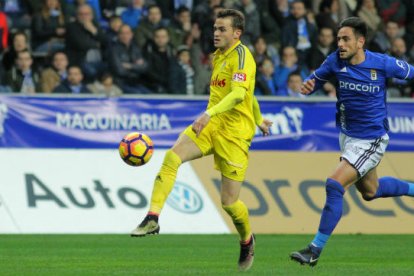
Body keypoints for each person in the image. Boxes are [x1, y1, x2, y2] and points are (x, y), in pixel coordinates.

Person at [130, 9, 272, 272]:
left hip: (234, 135)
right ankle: (153, 216)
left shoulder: (243, 56)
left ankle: (247, 240)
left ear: (237, 33)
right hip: (212, 126)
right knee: (173, 156)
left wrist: (213, 114)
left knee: (229, 203)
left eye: (222, 30)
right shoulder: (218, 56)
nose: (215, 33)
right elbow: (249, 93)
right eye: (215, 29)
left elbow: (241, 94)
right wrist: (260, 118)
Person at [289, 17, 414, 267]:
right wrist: (310, 86)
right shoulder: (335, 60)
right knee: (371, 191)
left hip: (372, 139)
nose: (340, 44)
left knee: (334, 184)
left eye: (346, 39)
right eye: (338, 39)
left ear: (360, 41)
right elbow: (317, 78)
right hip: (348, 137)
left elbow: (411, 72)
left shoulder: (382, 63)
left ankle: (314, 249)